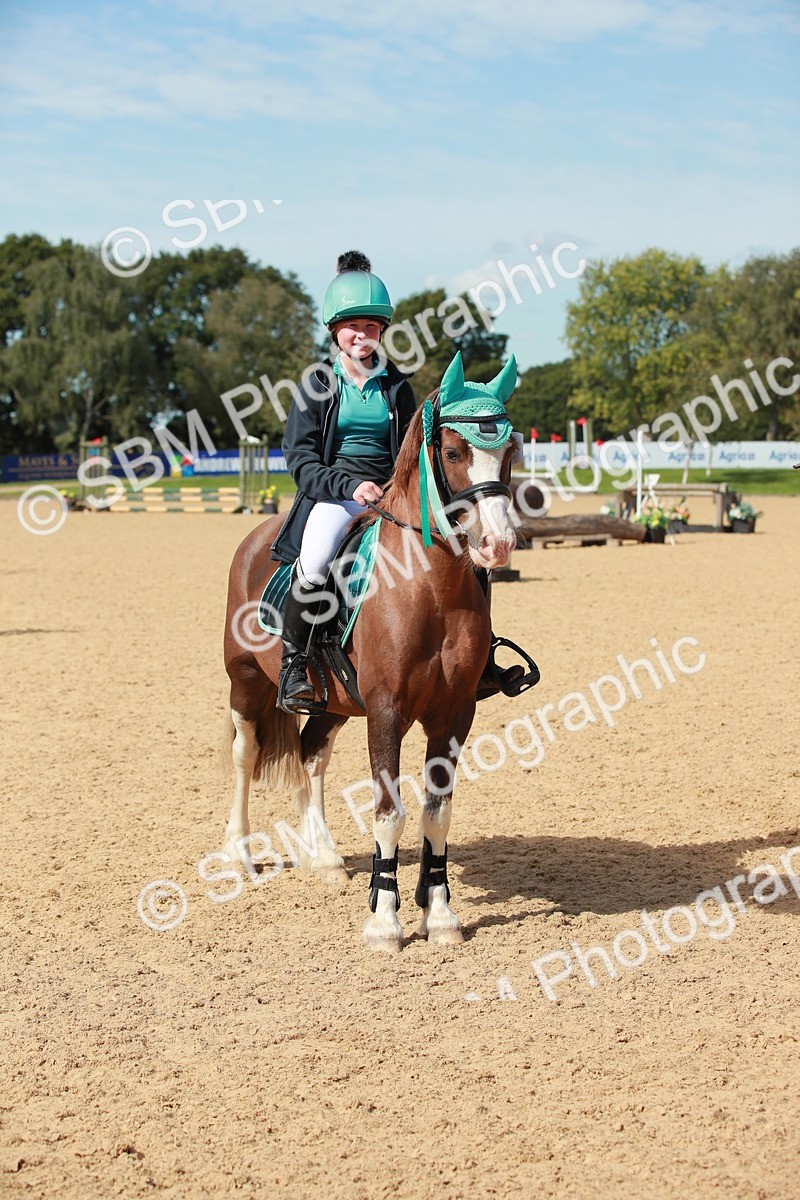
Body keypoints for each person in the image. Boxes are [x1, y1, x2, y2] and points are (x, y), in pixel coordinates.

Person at [272, 251, 417, 712]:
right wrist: (347, 487)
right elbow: (299, 458)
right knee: (315, 562)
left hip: (392, 495)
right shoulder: (318, 381)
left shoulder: (397, 386)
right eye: (353, 326)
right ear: (335, 329)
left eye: (372, 327)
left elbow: (410, 451)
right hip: (335, 495)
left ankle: (477, 654)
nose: (363, 335)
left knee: (453, 548)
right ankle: (294, 665)